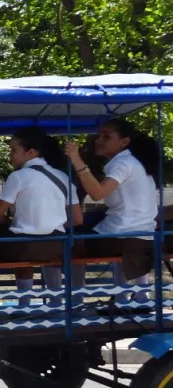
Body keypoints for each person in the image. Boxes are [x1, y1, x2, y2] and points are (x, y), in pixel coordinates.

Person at [0, 127, 83, 303]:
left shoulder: (18, 176)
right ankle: (56, 304)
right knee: (42, 248)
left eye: (13, 150)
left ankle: (24, 304)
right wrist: (50, 225)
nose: (10, 155)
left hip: (23, 247)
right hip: (57, 246)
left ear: (31, 152)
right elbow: (77, 219)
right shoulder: (63, 177)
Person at [64, 119, 160, 286]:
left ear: (124, 142)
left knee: (70, 245)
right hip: (144, 235)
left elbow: (97, 193)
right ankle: (136, 295)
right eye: (99, 135)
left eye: (106, 136)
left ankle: (75, 299)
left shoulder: (123, 163)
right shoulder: (135, 163)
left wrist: (76, 159)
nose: (98, 140)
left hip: (122, 235)